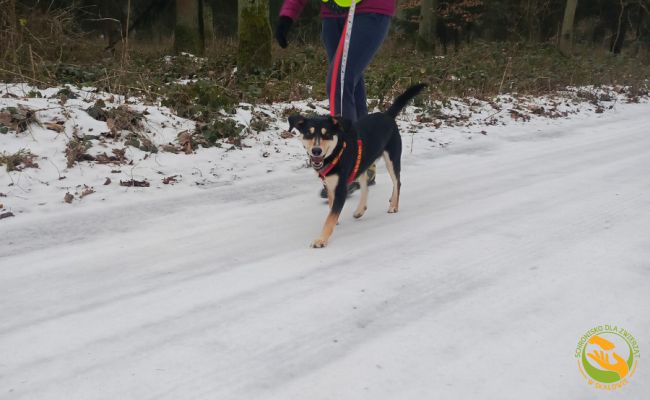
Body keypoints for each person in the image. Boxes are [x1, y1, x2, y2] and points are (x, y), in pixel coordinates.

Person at [275, 0, 395, 197]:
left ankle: (345, 167)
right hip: (332, 13)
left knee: (340, 81)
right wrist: (288, 15)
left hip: (368, 9)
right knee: (349, 82)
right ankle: (365, 163)